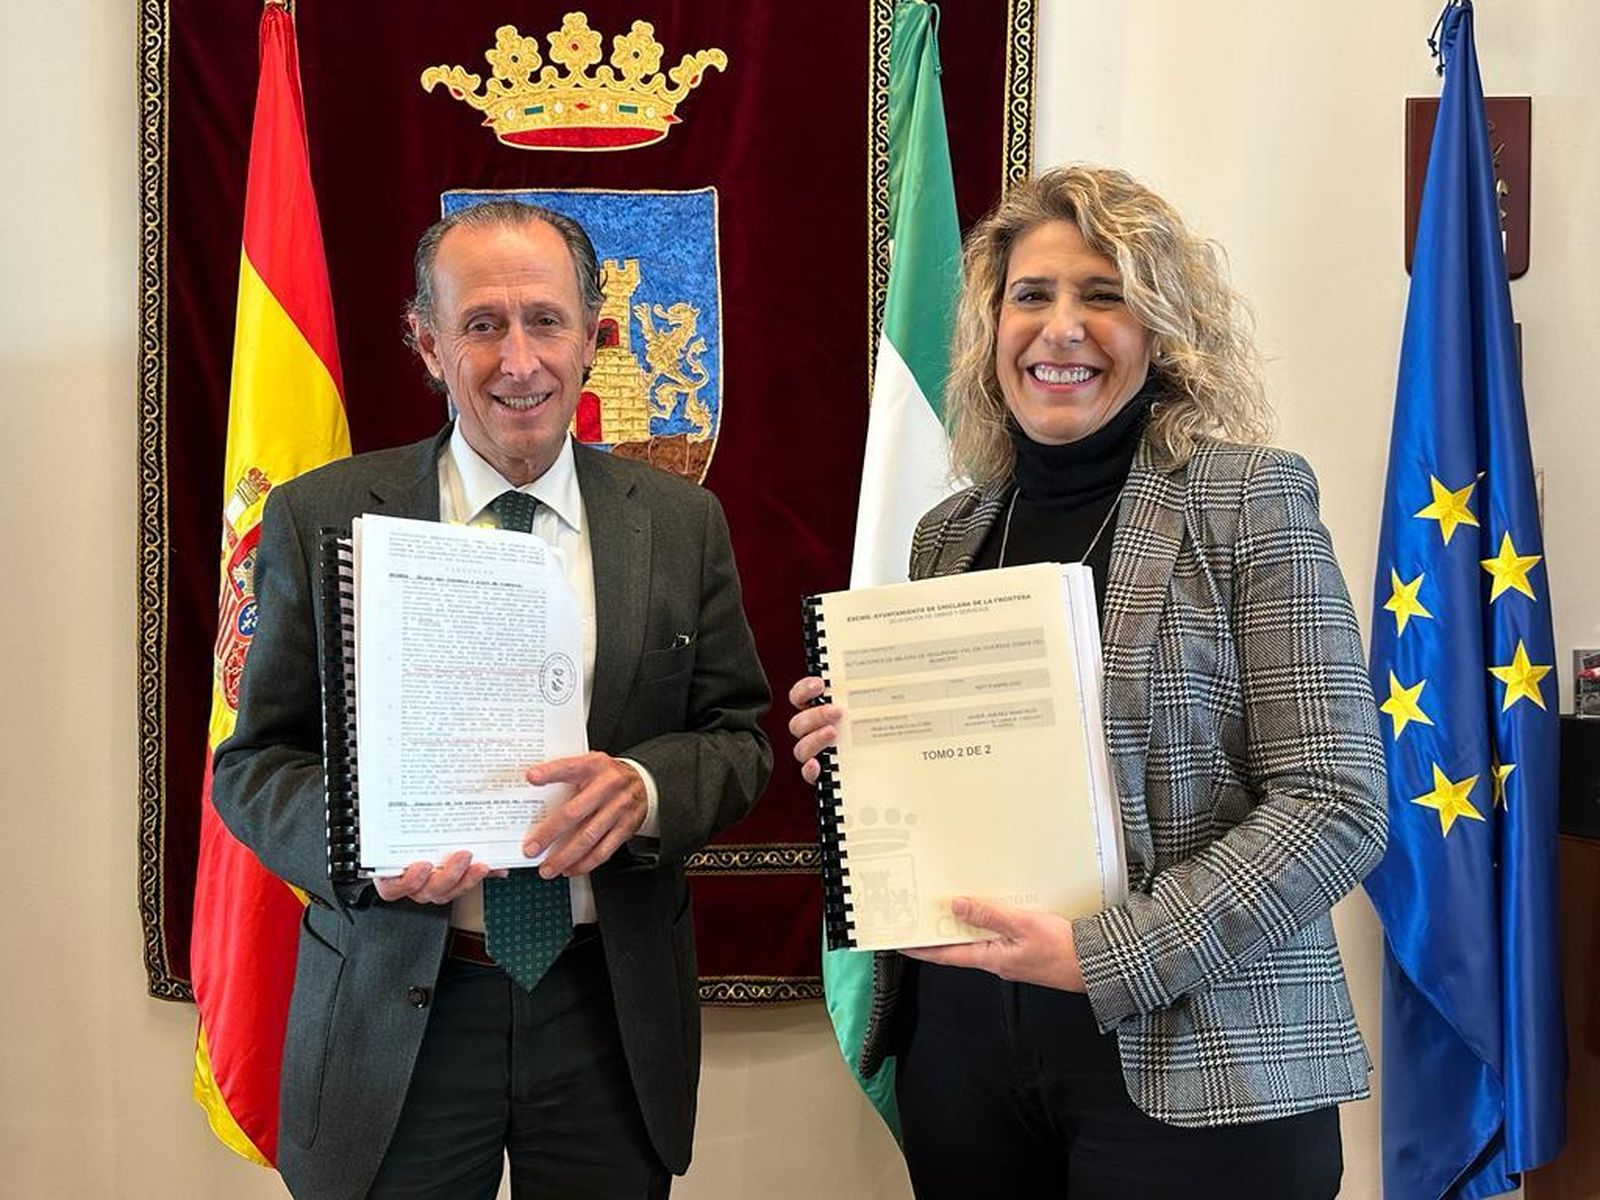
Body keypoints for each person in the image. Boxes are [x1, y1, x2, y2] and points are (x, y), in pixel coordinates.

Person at [788, 165, 1386, 1199]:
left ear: (1160, 330)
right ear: (991, 329)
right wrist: (861, 767)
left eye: (1102, 296)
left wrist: (1111, 955)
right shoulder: (952, 533)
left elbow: (1335, 804)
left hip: (1196, 1060)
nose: (1061, 328)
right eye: (1032, 296)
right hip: (966, 1053)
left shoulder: (1248, 500)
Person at [212, 200, 772, 1199]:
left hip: (606, 1005)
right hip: (400, 1003)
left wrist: (645, 788)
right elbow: (253, 766)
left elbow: (738, 738)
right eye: (481, 325)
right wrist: (362, 850)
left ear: (594, 339)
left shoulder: (682, 523)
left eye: (546, 321)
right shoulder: (322, 518)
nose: (519, 360)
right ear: (427, 344)